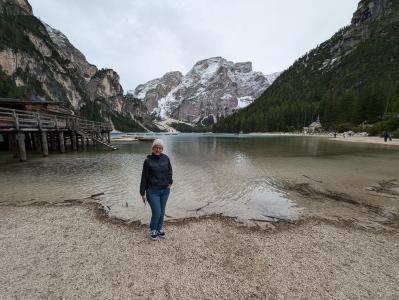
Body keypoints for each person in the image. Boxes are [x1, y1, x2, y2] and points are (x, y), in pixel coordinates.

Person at [140, 139, 173, 241]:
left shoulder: (166, 158)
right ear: (153, 148)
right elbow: (144, 177)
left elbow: (170, 171)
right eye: (156, 147)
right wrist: (142, 193)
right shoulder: (147, 161)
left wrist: (170, 182)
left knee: (162, 211)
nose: (158, 149)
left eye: (160, 148)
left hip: (165, 190)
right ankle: (153, 229)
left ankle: (159, 228)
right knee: (157, 212)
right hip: (152, 191)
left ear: (162, 149)